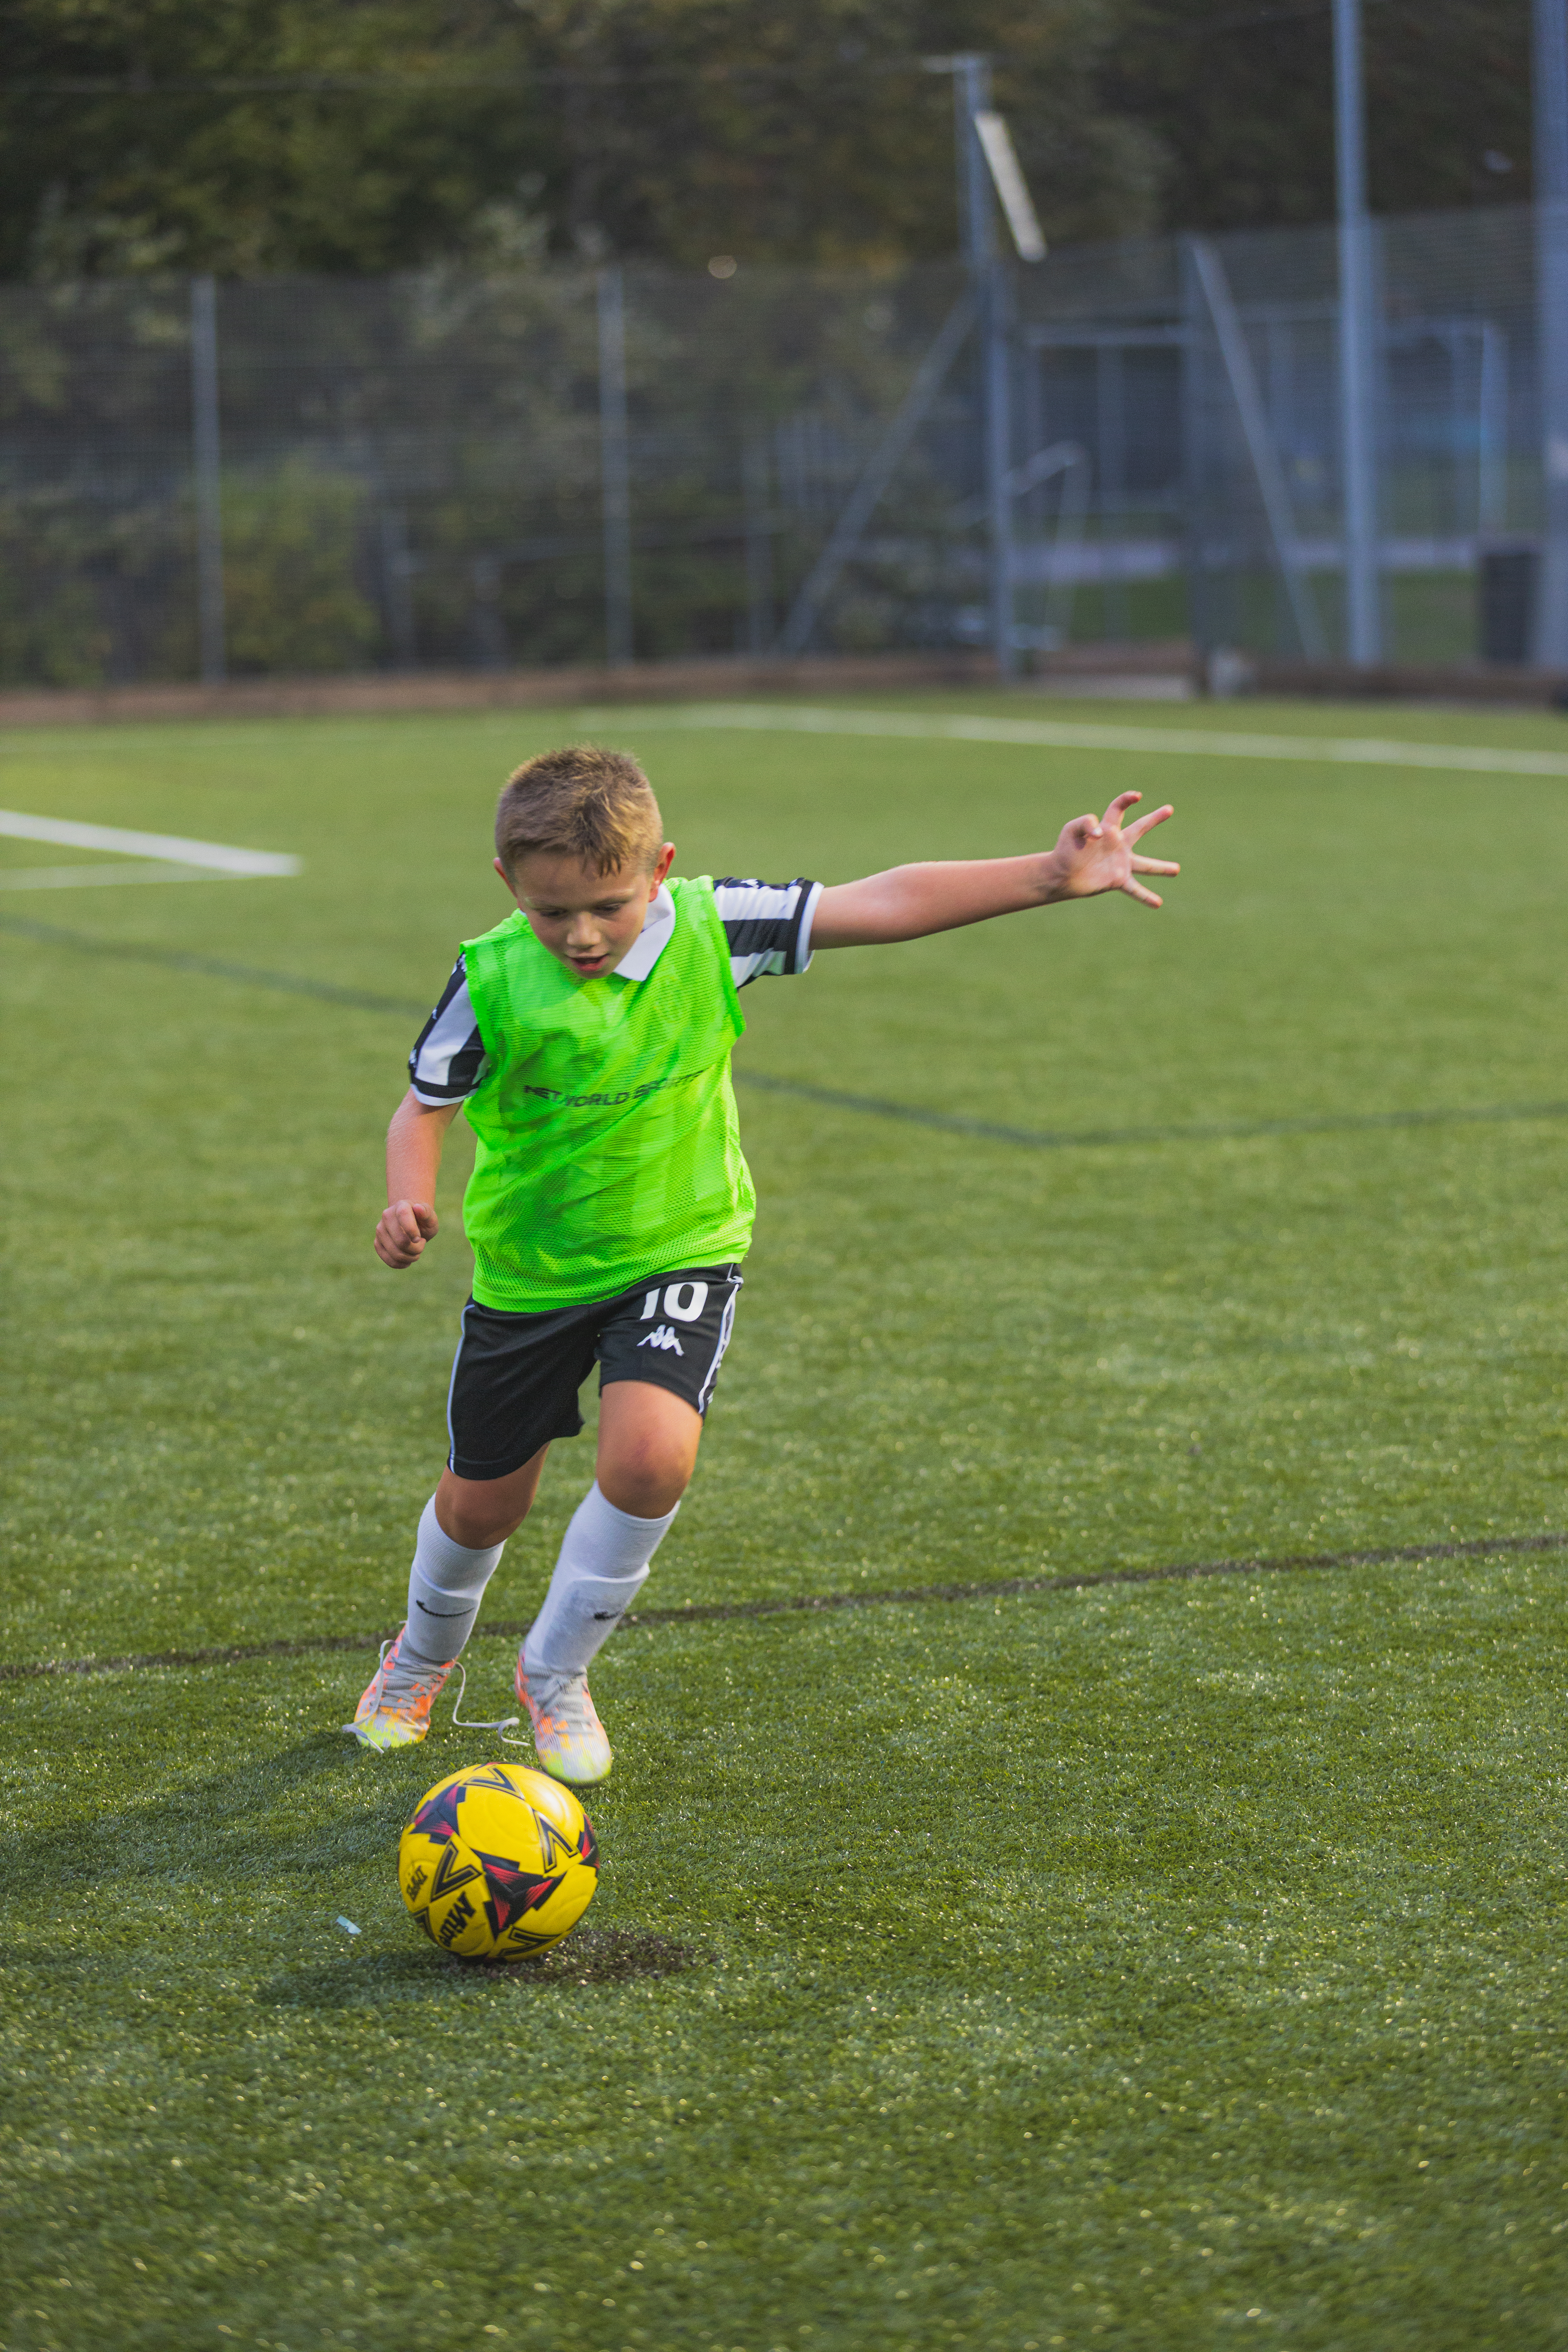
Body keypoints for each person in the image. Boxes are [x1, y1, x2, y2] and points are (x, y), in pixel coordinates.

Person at [349, 742, 1177, 1781]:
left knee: (652, 1458)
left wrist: (1048, 876)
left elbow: (878, 901)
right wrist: (407, 1195)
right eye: (552, 912)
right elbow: (425, 1107)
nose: (582, 934)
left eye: (607, 905)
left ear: (660, 870)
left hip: (682, 1248)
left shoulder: (711, 922)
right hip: (533, 1272)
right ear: (509, 886)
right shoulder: (491, 974)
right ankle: (417, 1663)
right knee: (484, 1504)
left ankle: (555, 1675)